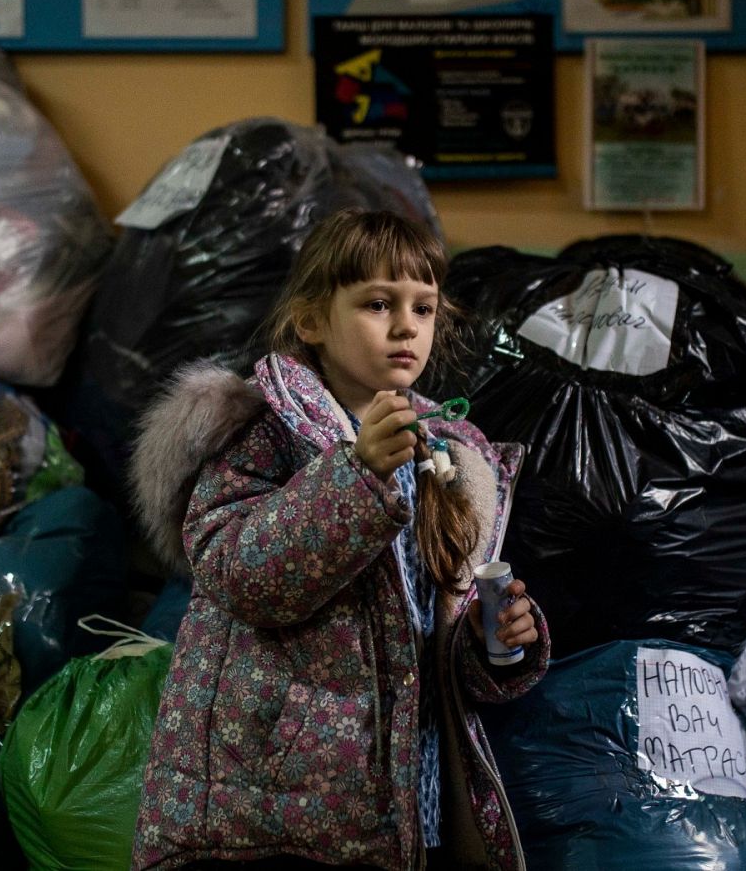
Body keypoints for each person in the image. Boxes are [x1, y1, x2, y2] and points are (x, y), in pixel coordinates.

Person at [128, 208, 550, 870]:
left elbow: (422, 649)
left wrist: (491, 645)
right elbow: (241, 577)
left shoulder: (440, 455)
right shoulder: (260, 431)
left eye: (425, 308)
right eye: (378, 304)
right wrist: (355, 475)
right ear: (313, 321)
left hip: (402, 809)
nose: (407, 326)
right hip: (268, 818)